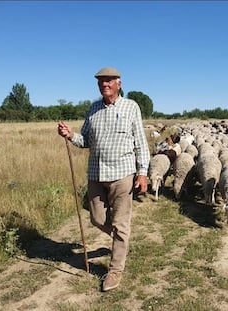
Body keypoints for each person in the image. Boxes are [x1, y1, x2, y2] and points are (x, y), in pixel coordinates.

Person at [57, 67, 150, 292]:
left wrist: (143, 172)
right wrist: (70, 135)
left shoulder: (131, 107)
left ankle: (115, 269)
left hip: (123, 174)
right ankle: (122, 240)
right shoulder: (93, 108)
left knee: (120, 223)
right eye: (100, 82)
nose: (104, 85)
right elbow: (85, 140)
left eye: (108, 81)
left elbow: (140, 142)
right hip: (97, 174)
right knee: (97, 219)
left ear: (118, 83)